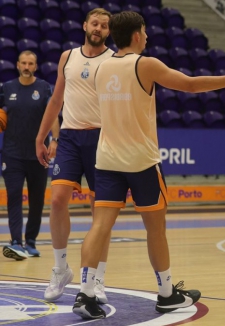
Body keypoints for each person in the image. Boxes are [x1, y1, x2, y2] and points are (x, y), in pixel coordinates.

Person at [71, 11, 225, 319]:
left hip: (107, 159)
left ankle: (85, 293)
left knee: (99, 226)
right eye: (145, 32)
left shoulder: (101, 67)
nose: (148, 36)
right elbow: (190, 86)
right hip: (141, 161)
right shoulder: (144, 64)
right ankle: (166, 294)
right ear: (136, 35)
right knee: (156, 229)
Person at [35, 8, 114, 303]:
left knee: (100, 210)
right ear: (85, 25)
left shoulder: (114, 60)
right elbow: (56, 99)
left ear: (109, 31)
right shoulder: (67, 57)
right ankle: (60, 269)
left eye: (104, 26)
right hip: (68, 136)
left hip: (102, 138)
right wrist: (41, 136)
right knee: (56, 200)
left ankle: (98, 277)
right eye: (95, 23)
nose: (99, 28)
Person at [1, 51, 58, 261]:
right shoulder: (6, 88)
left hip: (38, 154)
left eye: (30, 63)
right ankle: (16, 242)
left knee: (36, 200)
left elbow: (52, 115)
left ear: (35, 66)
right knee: (14, 196)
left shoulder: (43, 88)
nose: (26, 66)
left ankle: (31, 241)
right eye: (23, 63)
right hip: (12, 154)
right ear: (17, 65)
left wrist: (55, 139)